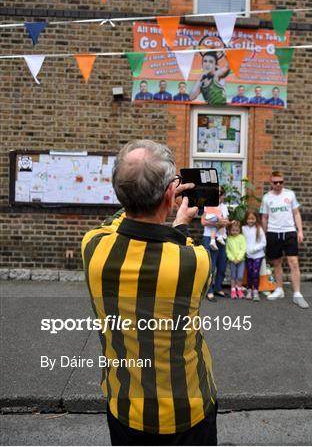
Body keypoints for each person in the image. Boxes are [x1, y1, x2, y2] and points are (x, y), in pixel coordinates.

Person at [82, 140, 217, 445]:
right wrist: (179, 219)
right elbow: (176, 246)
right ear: (171, 193)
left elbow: (118, 221)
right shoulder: (194, 261)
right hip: (187, 410)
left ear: (119, 191)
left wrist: (159, 198)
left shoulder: (93, 246)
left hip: (125, 405)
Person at [260, 171, 309, 308]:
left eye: (281, 182)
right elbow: (264, 217)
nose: (278, 184)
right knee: (276, 263)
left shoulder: (290, 194)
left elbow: (296, 213)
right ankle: (279, 289)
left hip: (289, 232)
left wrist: (300, 231)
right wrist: (265, 234)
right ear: (271, 183)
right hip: (273, 233)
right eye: (275, 182)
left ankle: (297, 294)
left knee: (293, 262)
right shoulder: (266, 198)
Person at [201, 187, 230, 301]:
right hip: (209, 238)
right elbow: (203, 221)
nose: (219, 196)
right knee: (211, 266)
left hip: (222, 238)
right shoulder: (207, 205)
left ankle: (218, 288)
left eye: (221, 194)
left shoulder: (224, 207)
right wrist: (217, 223)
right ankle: (209, 291)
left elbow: (226, 221)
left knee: (222, 265)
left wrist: (224, 223)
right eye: (217, 194)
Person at [242, 210, 267, 301]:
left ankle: (255, 291)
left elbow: (263, 243)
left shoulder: (259, 229)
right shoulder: (243, 228)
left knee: (255, 273)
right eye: (249, 219)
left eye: (252, 219)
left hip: (258, 255)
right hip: (248, 255)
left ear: (256, 219)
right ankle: (249, 291)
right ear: (246, 219)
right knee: (249, 273)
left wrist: (254, 249)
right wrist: (245, 251)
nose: (250, 220)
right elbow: (242, 241)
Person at [226, 220, 246, 299]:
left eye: (237, 230)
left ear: (239, 230)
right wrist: (232, 258)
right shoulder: (229, 239)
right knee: (233, 276)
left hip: (241, 261)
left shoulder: (241, 237)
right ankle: (233, 290)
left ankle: (239, 289)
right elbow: (227, 250)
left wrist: (238, 258)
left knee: (240, 276)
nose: (235, 232)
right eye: (233, 230)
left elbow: (243, 248)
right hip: (232, 261)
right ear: (230, 230)